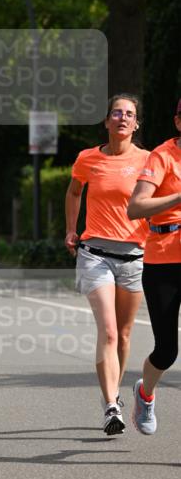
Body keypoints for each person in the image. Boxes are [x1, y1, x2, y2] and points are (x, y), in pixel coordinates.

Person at [65, 94, 150, 435]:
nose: (123, 118)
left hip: (135, 254)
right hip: (95, 252)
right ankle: (111, 404)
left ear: (136, 123)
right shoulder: (87, 158)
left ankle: (114, 390)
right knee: (110, 330)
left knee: (125, 334)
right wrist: (71, 229)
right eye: (117, 112)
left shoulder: (149, 160)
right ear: (106, 121)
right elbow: (74, 193)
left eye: (129, 114)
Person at [127, 97, 181, 434]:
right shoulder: (162, 156)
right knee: (167, 350)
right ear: (178, 121)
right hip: (164, 259)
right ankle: (145, 393)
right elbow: (136, 208)